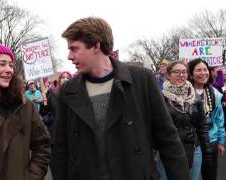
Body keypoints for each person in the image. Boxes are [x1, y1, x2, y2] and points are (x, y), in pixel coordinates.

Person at [52, 17, 189, 180]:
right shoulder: (68, 90)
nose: (69, 56)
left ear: (96, 45)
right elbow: (60, 149)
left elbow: (168, 138)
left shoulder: (141, 79)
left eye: (74, 49)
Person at [0, 43, 50, 180]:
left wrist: (32, 176)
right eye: (2, 64)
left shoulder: (25, 106)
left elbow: (43, 145)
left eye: (11, 65)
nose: (9, 70)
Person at [156, 61, 211, 180]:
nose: (181, 75)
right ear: (168, 75)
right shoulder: (160, 98)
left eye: (184, 72)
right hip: (169, 150)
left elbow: (202, 126)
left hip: (193, 149)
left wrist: (207, 152)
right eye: (177, 72)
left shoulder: (194, 97)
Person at [187, 59, 225, 180]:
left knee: (210, 175)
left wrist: (221, 141)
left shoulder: (215, 94)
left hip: (211, 140)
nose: (203, 73)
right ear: (191, 74)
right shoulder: (184, 93)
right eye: (198, 70)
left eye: (205, 69)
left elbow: (219, 119)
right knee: (192, 175)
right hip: (191, 142)